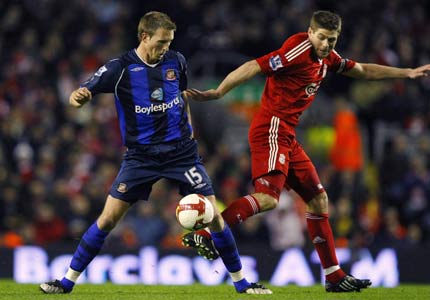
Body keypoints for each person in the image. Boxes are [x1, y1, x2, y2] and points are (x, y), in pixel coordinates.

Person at [184, 10, 430, 293]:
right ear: (310, 32)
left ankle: (333, 275)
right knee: (268, 199)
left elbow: (363, 70)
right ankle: (208, 233)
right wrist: (219, 92)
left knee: (319, 200)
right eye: (322, 38)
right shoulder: (297, 49)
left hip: (288, 136)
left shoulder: (328, 58)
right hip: (271, 128)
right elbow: (254, 66)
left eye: (332, 39)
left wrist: (405, 72)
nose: (327, 44)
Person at [39, 11, 271, 295]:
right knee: (108, 219)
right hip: (141, 157)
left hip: (181, 153)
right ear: (144, 37)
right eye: (161, 42)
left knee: (215, 217)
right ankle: (65, 282)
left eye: (169, 42)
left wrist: (191, 133)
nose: (166, 48)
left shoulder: (177, 60)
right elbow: (80, 94)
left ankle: (242, 284)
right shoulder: (120, 68)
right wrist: (79, 97)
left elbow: (181, 95)